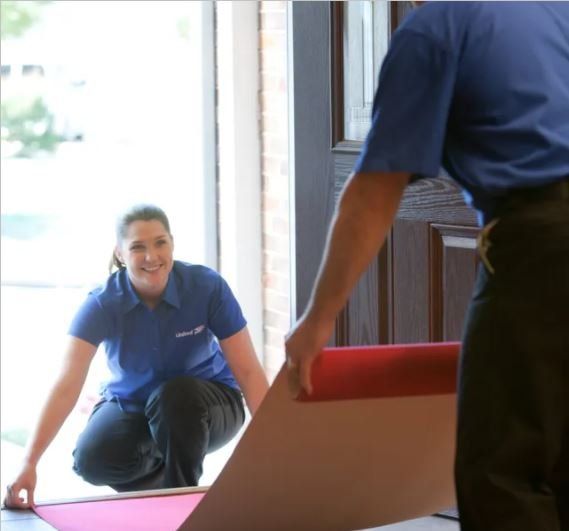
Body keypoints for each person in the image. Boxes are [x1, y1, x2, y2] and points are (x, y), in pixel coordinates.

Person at [285, 2, 568, 530]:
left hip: (543, 250)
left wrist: (318, 320)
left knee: (505, 473)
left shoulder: (436, 29)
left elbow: (374, 190)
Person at [4, 204, 269, 508]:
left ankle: (180, 505)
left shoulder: (207, 287)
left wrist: (274, 445)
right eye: (137, 247)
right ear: (120, 253)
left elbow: (248, 371)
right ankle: (161, 489)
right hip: (135, 406)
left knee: (174, 396)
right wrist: (29, 462)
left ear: (172, 243)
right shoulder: (102, 303)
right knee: (92, 459)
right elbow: (66, 384)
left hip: (211, 407)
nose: (151, 256)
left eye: (160, 243)